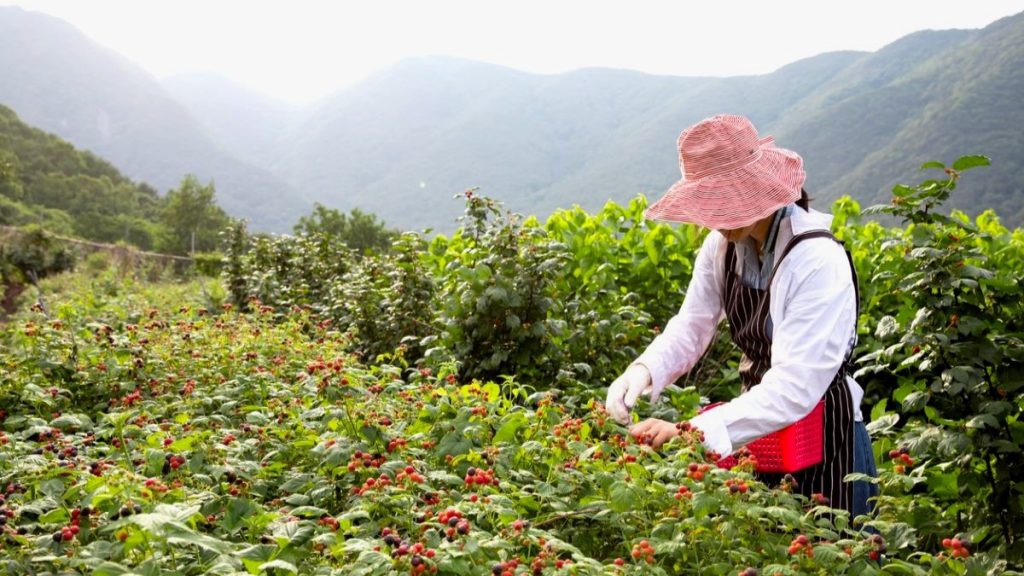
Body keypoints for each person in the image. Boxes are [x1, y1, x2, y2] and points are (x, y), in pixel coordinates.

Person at [605, 113, 878, 519]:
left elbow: (795, 387)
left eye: (723, 203)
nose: (714, 218)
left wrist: (691, 432)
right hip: (761, 432)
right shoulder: (722, 249)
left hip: (826, 437)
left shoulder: (815, 260)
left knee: (838, 550)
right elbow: (692, 324)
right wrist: (643, 371)